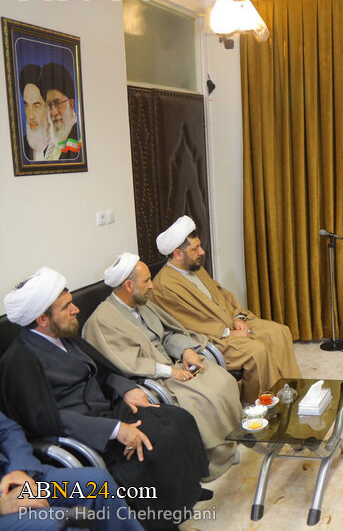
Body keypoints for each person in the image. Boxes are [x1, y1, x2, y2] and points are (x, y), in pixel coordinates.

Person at [0, 267, 211, 531]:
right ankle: (162, 520)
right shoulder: (19, 361)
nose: (76, 310)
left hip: (110, 408)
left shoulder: (63, 336)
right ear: (42, 319)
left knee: (180, 419)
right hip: (87, 431)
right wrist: (114, 430)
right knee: (159, 440)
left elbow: (100, 372)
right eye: (66, 307)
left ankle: (186, 494)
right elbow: (46, 419)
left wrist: (126, 388)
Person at [82, 253, 241, 480]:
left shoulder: (141, 304)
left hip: (175, 362)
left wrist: (185, 350)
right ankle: (211, 460)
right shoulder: (102, 320)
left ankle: (230, 442)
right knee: (201, 399)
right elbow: (128, 362)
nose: (152, 286)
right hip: (154, 378)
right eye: (147, 280)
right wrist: (171, 371)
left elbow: (166, 334)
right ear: (129, 286)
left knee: (222, 381)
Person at [149, 215, 301, 402]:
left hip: (231, 321)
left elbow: (222, 295)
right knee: (257, 353)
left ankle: (291, 390)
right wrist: (228, 332)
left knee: (279, 332)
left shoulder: (196, 269)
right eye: (195, 249)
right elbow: (188, 324)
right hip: (211, 338)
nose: (202, 252)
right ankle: (262, 405)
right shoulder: (164, 286)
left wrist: (237, 318)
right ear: (178, 254)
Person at [1, 410, 143, 531]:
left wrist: (20, 468)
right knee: (62, 521)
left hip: (9, 473)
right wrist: (3, 505)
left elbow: (8, 430)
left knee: (97, 482)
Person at [38, 63, 81, 160]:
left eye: (58, 103)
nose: (54, 112)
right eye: (49, 105)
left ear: (71, 104)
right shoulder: (48, 147)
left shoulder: (81, 139)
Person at [18, 64, 58, 162]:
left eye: (36, 106)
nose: (30, 116)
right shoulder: (21, 146)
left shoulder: (66, 143)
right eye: (27, 106)